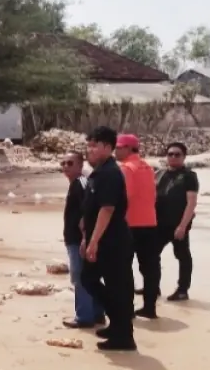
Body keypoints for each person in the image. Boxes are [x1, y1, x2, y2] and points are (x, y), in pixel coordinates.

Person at [80, 126, 136, 351]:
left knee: (115, 288)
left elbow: (107, 209)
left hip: (113, 241)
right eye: (89, 145)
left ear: (106, 147)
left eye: (94, 145)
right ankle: (118, 324)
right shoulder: (99, 172)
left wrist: (94, 242)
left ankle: (123, 336)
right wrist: (87, 238)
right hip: (101, 239)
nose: (89, 150)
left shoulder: (110, 173)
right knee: (89, 279)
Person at [114, 134, 160, 319]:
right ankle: (150, 308)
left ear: (128, 148)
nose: (115, 151)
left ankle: (127, 308)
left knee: (124, 267)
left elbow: (126, 196)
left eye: (118, 147)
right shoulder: (147, 166)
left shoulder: (126, 168)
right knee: (150, 268)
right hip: (150, 222)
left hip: (130, 224)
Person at [61, 151, 105, 329]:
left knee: (79, 278)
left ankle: (84, 316)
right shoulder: (77, 184)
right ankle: (97, 313)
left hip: (78, 240)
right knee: (88, 276)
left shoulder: (80, 184)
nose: (65, 167)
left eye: (70, 163)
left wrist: (86, 239)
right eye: (63, 163)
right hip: (78, 239)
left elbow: (87, 214)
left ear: (80, 165)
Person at [155, 141, 199, 301]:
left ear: (184, 157)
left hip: (178, 224)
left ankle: (182, 289)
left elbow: (191, 202)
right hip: (159, 224)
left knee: (182, 256)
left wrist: (183, 225)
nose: (173, 157)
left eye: (177, 154)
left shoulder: (189, 176)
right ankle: (152, 286)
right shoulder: (160, 174)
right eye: (170, 154)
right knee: (151, 255)